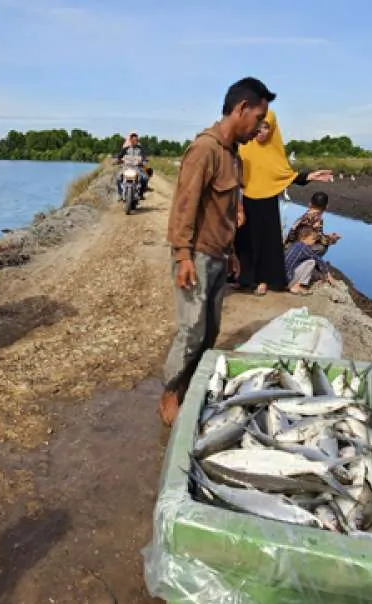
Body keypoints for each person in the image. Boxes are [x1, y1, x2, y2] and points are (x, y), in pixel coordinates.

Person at [158, 77, 274, 426]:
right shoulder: (205, 150)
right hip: (197, 255)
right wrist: (182, 256)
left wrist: (233, 252)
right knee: (191, 330)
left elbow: (227, 211)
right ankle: (169, 392)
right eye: (258, 118)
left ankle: (191, 386)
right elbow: (184, 207)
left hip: (219, 256)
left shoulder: (232, 155)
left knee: (210, 331)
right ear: (241, 109)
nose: (258, 128)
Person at [235, 110, 334, 295]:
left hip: (267, 202)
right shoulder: (244, 147)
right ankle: (244, 278)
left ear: (272, 129)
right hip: (246, 199)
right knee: (245, 240)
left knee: (266, 242)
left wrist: (309, 176)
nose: (261, 131)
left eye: (265, 127)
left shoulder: (274, 151)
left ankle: (263, 280)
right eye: (257, 126)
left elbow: (285, 174)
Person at [283, 190, 342, 257]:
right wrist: (331, 239)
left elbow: (314, 236)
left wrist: (328, 237)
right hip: (294, 249)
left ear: (310, 204)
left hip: (290, 246)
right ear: (326, 207)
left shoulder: (306, 216)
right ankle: (301, 262)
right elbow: (316, 239)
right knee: (322, 248)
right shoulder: (314, 218)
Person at [284, 223, 331, 295]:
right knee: (311, 262)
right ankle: (296, 287)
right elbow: (317, 259)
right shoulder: (303, 247)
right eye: (313, 239)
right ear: (304, 238)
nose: (314, 242)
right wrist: (327, 273)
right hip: (287, 279)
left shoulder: (294, 245)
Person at [114, 131, 150, 197]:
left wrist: (144, 161)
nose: (134, 141)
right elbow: (119, 156)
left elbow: (144, 157)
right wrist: (117, 160)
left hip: (137, 168)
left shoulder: (140, 149)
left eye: (136, 140)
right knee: (118, 178)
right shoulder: (125, 149)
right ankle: (120, 194)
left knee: (145, 178)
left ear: (137, 141)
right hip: (126, 168)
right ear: (130, 140)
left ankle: (141, 194)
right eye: (133, 140)